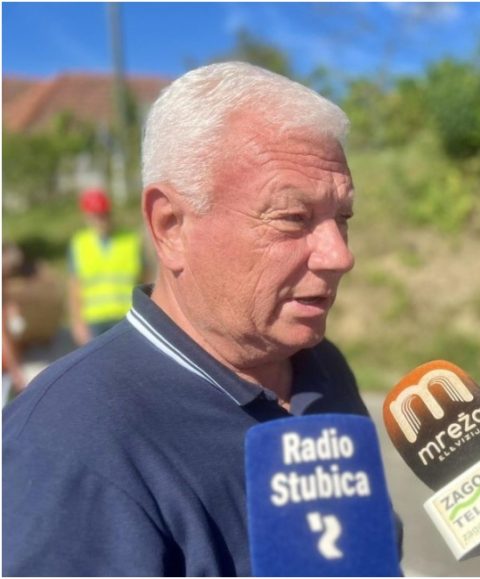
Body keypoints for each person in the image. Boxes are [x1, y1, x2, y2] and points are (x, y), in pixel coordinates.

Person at [3, 62, 389, 575]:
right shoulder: (67, 447)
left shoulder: (323, 367)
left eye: (342, 219)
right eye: (294, 217)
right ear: (171, 227)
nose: (339, 255)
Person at [68, 187, 147, 345]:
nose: (101, 221)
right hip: (95, 320)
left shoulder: (130, 241)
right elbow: (75, 287)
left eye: (104, 215)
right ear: (87, 217)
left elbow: (145, 278)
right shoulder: (79, 244)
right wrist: (78, 323)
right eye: (95, 216)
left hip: (127, 316)